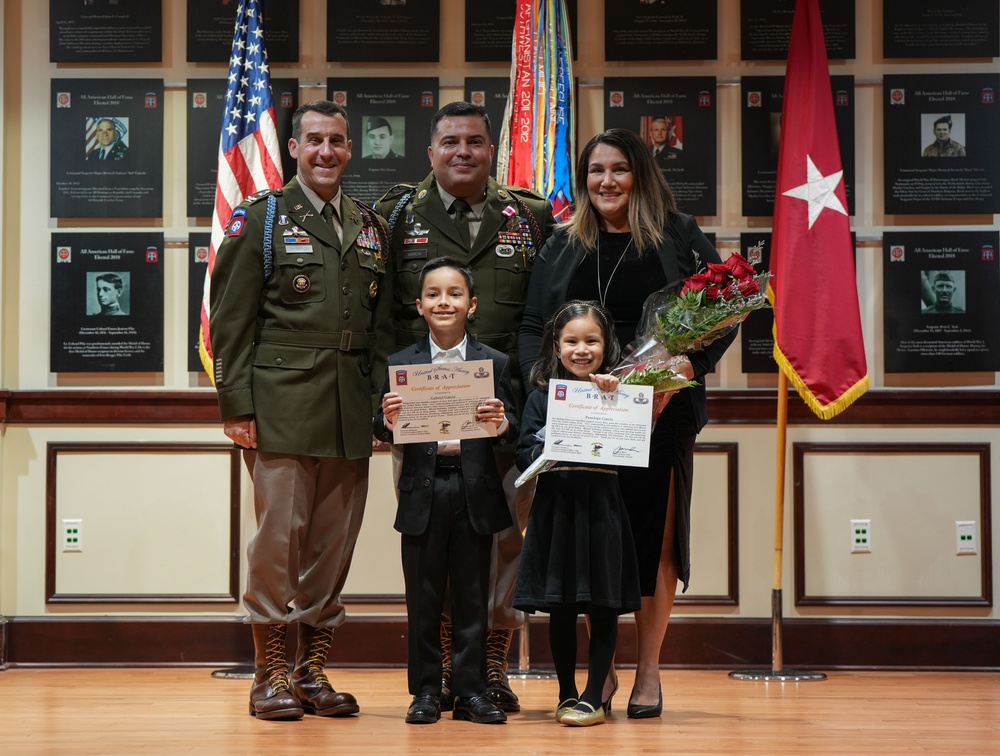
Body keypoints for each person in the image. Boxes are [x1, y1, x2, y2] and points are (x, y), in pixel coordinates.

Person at [518, 128, 737, 719]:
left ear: (639, 174)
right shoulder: (562, 242)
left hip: (660, 415)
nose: (606, 182)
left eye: (618, 169)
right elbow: (532, 323)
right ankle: (601, 675)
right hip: (577, 419)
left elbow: (725, 310)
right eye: (595, 171)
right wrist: (545, 389)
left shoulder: (679, 236)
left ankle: (647, 672)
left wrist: (689, 363)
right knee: (593, 543)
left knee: (653, 541)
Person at [210, 99, 392, 721]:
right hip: (281, 405)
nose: (326, 152)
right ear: (293, 148)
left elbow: (382, 328)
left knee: (332, 548)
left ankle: (311, 672)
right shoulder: (260, 220)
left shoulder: (370, 225)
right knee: (277, 545)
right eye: (314, 140)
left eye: (337, 142)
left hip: (350, 409)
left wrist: (384, 410)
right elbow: (229, 324)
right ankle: (268, 676)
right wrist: (236, 407)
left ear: (349, 149)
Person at [376, 100, 553, 713]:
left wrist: (529, 405)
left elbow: (545, 315)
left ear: (490, 151)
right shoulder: (398, 213)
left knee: (499, 547)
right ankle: (439, 678)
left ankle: (487, 672)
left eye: (475, 142)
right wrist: (385, 407)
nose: (462, 152)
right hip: (421, 416)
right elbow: (380, 318)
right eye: (450, 142)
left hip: (502, 411)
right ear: (431, 152)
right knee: (428, 552)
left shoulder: (528, 216)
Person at [374, 257, 517, 726]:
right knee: (424, 596)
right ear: (419, 305)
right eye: (433, 294)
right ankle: (426, 692)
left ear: (471, 305)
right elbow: (380, 424)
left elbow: (512, 425)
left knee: (474, 597)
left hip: (474, 490)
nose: (444, 302)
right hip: (423, 491)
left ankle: (472, 691)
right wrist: (389, 419)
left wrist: (501, 422)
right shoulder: (401, 364)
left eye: (454, 294)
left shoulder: (493, 363)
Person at [514, 300, 641, 727]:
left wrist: (613, 401)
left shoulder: (621, 392)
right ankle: (566, 693)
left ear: (607, 346)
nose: (581, 349)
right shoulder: (539, 396)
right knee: (561, 604)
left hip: (602, 508)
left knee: (602, 604)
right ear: (556, 344)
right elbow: (524, 450)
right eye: (571, 341)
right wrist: (556, 437)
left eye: (592, 340)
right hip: (556, 509)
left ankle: (593, 696)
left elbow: (634, 448)